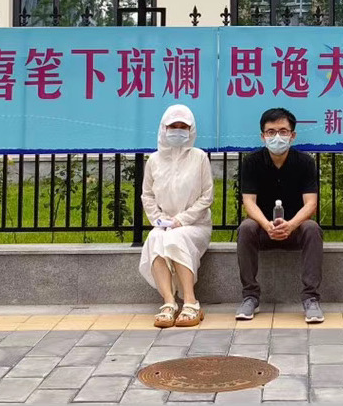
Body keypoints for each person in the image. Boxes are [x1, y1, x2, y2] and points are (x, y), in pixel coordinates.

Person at [235, 107, 324, 323]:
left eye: (283, 131)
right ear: (262, 136)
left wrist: (291, 225)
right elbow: (249, 202)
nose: (277, 137)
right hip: (263, 229)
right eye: (271, 132)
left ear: (292, 135)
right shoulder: (252, 162)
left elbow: (311, 203)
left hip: (295, 229)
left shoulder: (305, 162)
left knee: (312, 228)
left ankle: (311, 298)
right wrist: (266, 225)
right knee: (246, 227)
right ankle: (250, 296)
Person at [139, 104, 214, 328]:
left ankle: (191, 302)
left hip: (195, 224)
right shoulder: (154, 160)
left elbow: (207, 197)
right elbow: (147, 195)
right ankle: (169, 302)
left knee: (176, 238)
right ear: (164, 129)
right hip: (164, 224)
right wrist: (159, 220)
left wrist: (181, 220)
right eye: (173, 126)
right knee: (155, 238)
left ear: (191, 130)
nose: (178, 131)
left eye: (183, 127)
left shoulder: (199, 157)